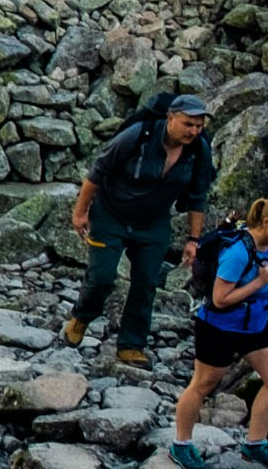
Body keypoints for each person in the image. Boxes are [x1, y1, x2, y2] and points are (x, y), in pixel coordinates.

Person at [65, 94, 216, 368]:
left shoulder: (199, 150)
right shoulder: (138, 135)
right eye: (188, 124)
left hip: (153, 222)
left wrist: (193, 239)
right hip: (110, 214)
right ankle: (82, 316)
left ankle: (131, 345)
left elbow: (197, 196)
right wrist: (80, 212)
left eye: (199, 125)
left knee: (146, 281)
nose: (193, 131)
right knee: (102, 276)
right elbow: (97, 173)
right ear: (170, 118)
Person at [172, 194, 268, 469]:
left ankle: (255, 443)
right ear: (267, 222)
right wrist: (259, 281)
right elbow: (219, 299)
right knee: (203, 385)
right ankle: (180, 444)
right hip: (218, 327)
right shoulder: (238, 252)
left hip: (253, 324)